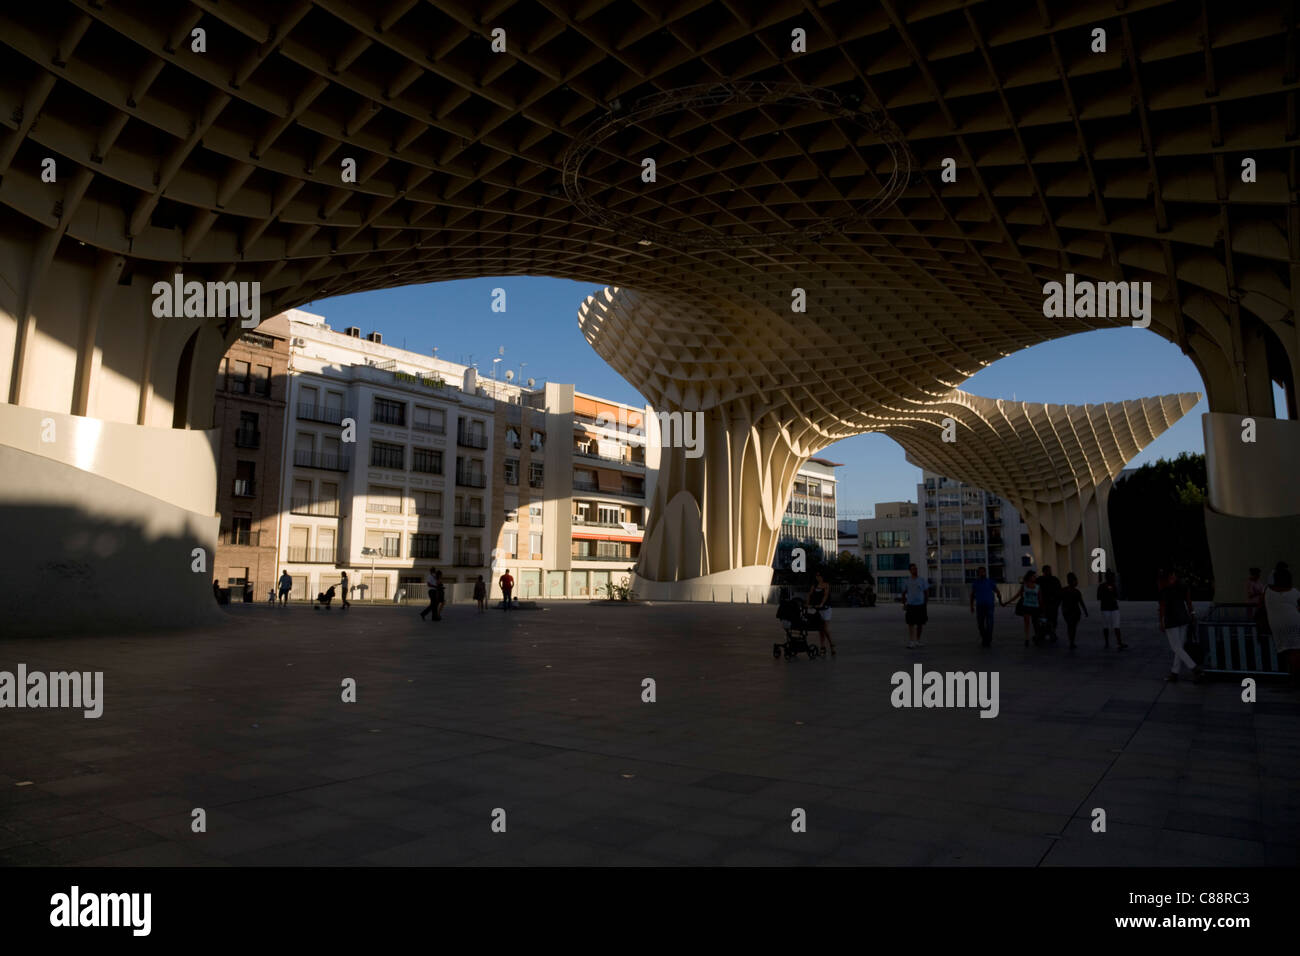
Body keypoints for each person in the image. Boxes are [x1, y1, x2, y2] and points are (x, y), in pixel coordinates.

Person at [1158, 570, 1202, 683]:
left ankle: (1194, 668)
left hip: (1171, 620)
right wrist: (1192, 614)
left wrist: (1161, 622)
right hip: (1183, 619)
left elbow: (1162, 607)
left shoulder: (1164, 589)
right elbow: (1188, 601)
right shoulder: (1182, 586)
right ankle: (1174, 672)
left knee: (1176, 648)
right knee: (1179, 648)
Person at [1263, 565, 1300, 680]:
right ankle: (1296, 677)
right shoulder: (1294, 592)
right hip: (1295, 622)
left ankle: (1294, 676)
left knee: (1289, 651)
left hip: (1277, 625)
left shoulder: (1268, 591)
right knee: (1296, 651)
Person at [969, 566, 1002, 647]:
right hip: (980, 606)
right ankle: (984, 637)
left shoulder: (990, 582)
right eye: (980, 572)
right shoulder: (975, 583)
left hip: (989, 605)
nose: (982, 573)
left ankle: (988, 640)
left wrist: (1000, 601)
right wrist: (971, 606)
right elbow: (972, 595)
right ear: (978, 573)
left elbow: (997, 591)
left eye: (983, 572)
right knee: (980, 624)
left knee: (990, 623)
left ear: (985, 572)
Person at [1007, 570, 1040, 647]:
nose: (1035, 577)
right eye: (1033, 576)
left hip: (1035, 607)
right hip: (1026, 606)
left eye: (1035, 576)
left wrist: (1042, 608)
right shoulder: (1024, 586)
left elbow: (1040, 598)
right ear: (1029, 577)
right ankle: (1027, 638)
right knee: (1027, 623)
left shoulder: (1038, 586)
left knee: (1036, 623)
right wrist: (1008, 602)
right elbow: (1017, 595)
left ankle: (1036, 637)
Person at [806, 570, 836, 657]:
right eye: (817, 576)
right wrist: (807, 603)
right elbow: (809, 594)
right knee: (820, 629)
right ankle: (822, 646)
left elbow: (825, 595)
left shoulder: (826, 585)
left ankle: (831, 644)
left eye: (820, 576)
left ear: (823, 577)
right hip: (818, 609)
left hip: (826, 609)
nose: (818, 577)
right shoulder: (814, 586)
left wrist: (822, 603)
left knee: (825, 628)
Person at [1097, 570, 1126, 649]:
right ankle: (1108, 642)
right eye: (1112, 577)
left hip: (1113, 608)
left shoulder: (1113, 586)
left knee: (1116, 626)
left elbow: (1116, 596)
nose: (1113, 579)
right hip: (1106, 608)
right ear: (1108, 578)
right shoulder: (1102, 586)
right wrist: (1107, 594)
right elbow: (1099, 597)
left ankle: (1118, 642)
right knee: (1106, 626)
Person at [901, 563, 928, 649]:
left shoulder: (921, 580)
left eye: (916, 569)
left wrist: (925, 603)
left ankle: (917, 640)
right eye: (913, 569)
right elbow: (903, 593)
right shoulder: (907, 581)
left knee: (920, 623)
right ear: (910, 571)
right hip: (911, 605)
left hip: (920, 605)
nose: (915, 570)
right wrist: (904, 604)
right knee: (910, 623)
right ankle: (912, 641)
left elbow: (926, 592)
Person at [1059, 572, 1088, 648]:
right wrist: (1085, 611)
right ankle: (1071, 641)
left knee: (1071, 626)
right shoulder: (1074, 591)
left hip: (1071, 612)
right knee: (1072, 626)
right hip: (1070, 612)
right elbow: (1081, 602)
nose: (1076, 583)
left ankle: (1071, 641)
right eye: (1075, 581)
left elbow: (1081, 602)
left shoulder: (1068, 590)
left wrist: (1085, 611)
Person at [1037, 565, 1062, 642]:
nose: (1049, 572)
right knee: (1043, 620)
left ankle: (1052, 633)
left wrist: (1057, 603)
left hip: (1053, 605)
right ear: (1044, 571)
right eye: (1048, 570)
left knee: (1053, 620)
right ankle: (1043, 634)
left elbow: (1059, 592)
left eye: (1050, 570)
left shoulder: (1054, 580)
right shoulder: (1039, 580)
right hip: (1043, 605)